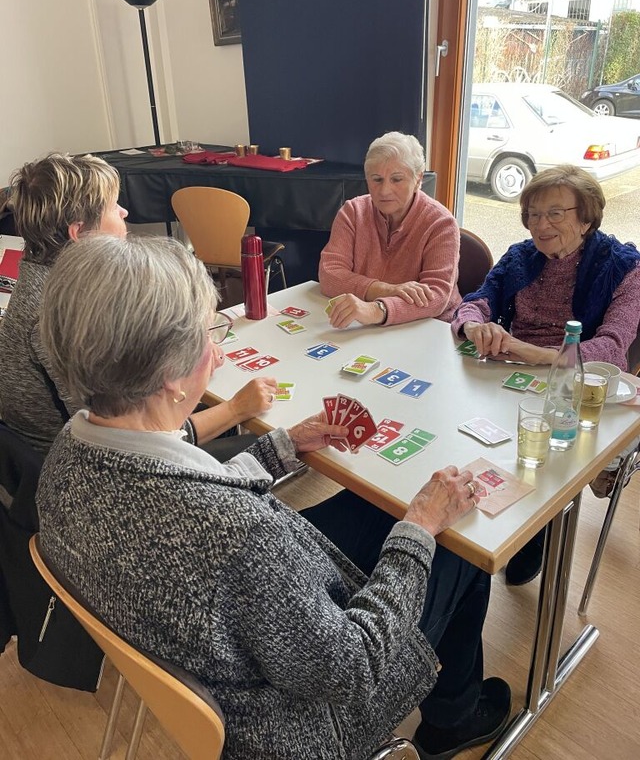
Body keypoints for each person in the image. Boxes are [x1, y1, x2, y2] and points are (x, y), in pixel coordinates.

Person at [37, 234, 511, 760]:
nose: (216, 350)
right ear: (170, 377)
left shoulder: (66, 456)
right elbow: (348, 670)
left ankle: (454, 699)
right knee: (461, 544)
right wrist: (421, 526)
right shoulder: (239, 536)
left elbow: (188, 483)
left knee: (374, 505)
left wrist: (282, 447)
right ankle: (454, 718)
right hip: (302, 723)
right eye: (208, 331)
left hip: (211, 643)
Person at [0, 152, 275, 456]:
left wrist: (190, 360)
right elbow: (123, 442)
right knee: (261, 445)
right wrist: (236, 409)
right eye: (112, 207)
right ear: (79, 233)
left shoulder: (45, 281)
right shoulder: (60, 316)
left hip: (66, 454)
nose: (124, 212)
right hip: (84, 466)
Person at [452, 164, 640, 585]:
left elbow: (612, 347)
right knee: (477, 433)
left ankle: (541, 522)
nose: (541, 224)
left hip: (582, 389)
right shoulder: (521, 257)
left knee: (546, 444)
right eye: (533, 214)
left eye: (556, 213)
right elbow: (475, 301)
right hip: (514, 375)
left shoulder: (625, 267)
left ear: (586, 217)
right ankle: (506, 526)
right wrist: (474, 325)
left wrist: (537, 354)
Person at [319, 131, 461, 328]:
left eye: (396, 179)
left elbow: (436, 297)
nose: (384, 191)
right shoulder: (353, 212)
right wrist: (386, 290)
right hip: (366, 326)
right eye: (377, 179)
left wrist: (377, 310)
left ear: (418, 179)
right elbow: (329, 274)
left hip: (430, 327)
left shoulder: (441, 223)